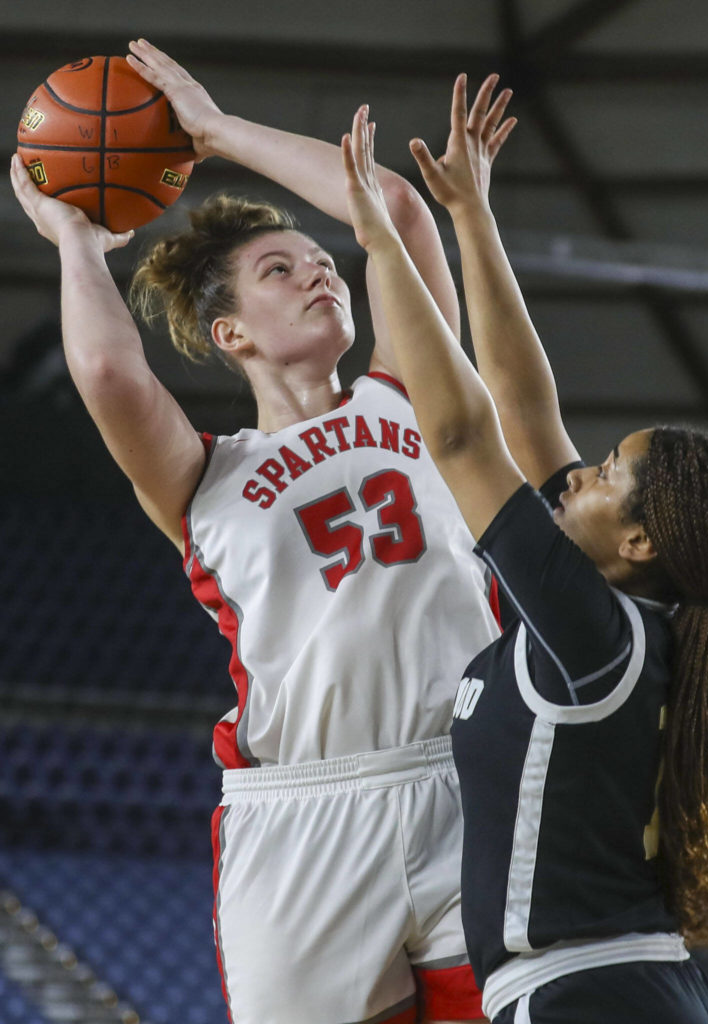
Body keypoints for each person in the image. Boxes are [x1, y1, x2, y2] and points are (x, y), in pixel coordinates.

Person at [10, 40, 503, 1024]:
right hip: (300, 810)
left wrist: (216, 130)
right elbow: (110, 376)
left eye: (324, 264)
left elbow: (395, 215)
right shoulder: (203, 475)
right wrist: (73, 241)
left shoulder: (408, 395)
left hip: (468, 778)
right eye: (282, 270)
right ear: (227, 332)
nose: (321, 276)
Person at [340, 74, 708, 1024]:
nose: (578, 473)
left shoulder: (595, 635)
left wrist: (384, 248)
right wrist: (473, 217)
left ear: (640, 538)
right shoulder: (618, 627)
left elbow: (462, 437)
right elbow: (526, 410)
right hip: (639, 991)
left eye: (607, 472)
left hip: (586, 996)